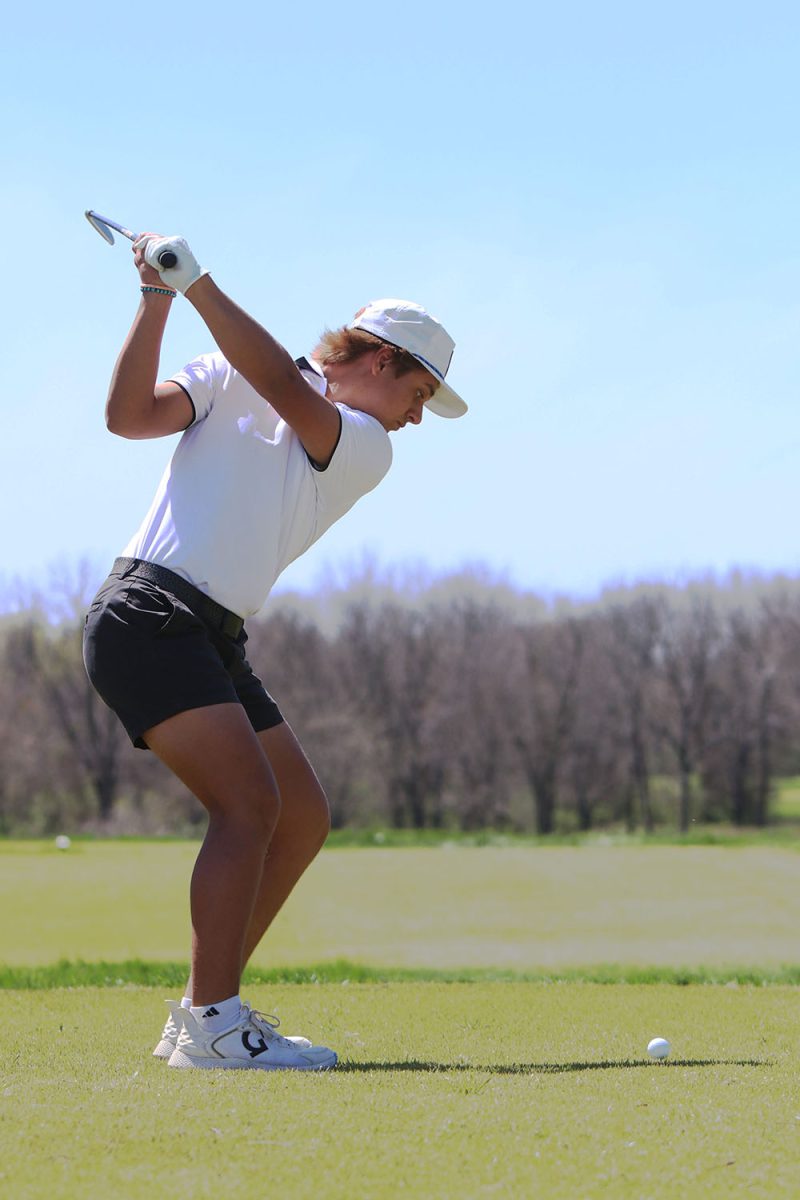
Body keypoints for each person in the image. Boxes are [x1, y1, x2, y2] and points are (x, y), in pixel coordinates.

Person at [82, 231, 467, 1071]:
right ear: (380, 360)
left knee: (300, 815)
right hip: (150, 613)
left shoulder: (367, 444)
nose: (417, 416)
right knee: (248, 808)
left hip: (212, 633)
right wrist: (157, 297)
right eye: (420, 391)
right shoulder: (221, 375)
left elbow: (282, 390)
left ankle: (202, 1012)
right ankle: (216, 1024)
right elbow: (126, 418)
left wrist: (195, 286)